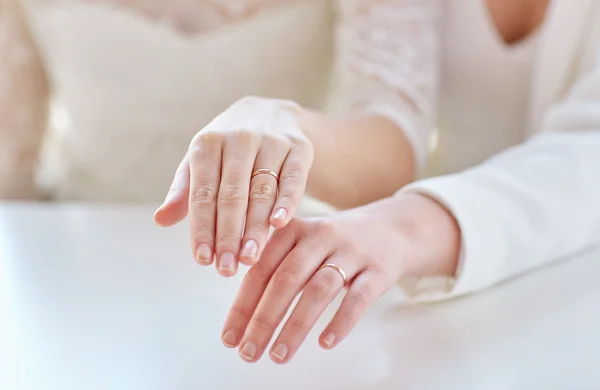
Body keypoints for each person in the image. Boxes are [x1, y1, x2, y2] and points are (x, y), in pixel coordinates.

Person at [154, 0, 600, 365]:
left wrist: (408, 227)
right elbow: (388, 113)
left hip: (569, 287)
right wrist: (285, 121)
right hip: (447, 308)